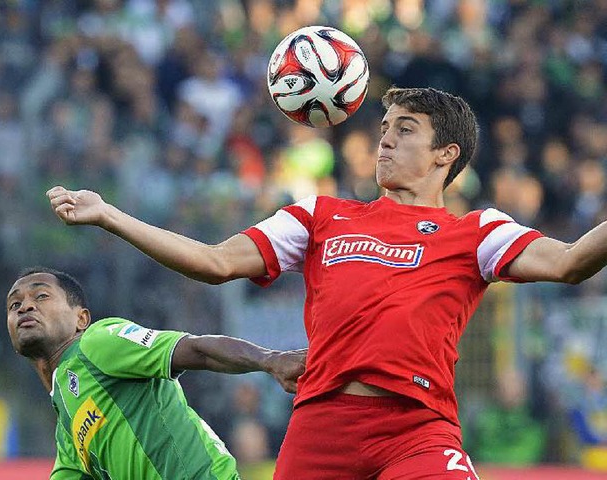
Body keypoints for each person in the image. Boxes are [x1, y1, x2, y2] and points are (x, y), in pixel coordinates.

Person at [46, 85, 607, 479]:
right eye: (384, 128)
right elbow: (213, 262)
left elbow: (570, 262)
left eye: (404, 130)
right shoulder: (320, 216)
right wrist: (110, 215)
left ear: (446, 154)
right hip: (321, 426)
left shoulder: (477, 231)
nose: (383, 141)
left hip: (417, 429)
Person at [6, 267, 305, 479]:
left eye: (41, 296)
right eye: (15, 304)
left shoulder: (98, 341)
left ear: (81, 318)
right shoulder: (67, 428)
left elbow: (196, 348)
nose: (25, 307)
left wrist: (271, 359)